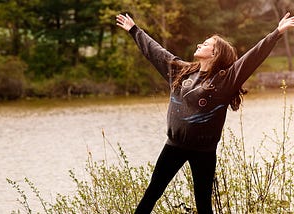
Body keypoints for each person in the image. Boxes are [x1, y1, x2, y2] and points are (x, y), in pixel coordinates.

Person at [116, 12, 294, 214]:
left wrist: (277, 32)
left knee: (203, 205)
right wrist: (134, 30)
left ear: (215, 53)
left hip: (204, 152)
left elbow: (253, 56)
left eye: (206, 44)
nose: (200, 44)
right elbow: (156, 52)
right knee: (152, 193)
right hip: (173, 147)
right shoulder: (181, 71)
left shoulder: (225, 80)